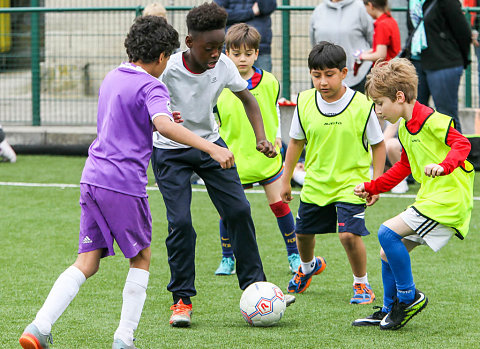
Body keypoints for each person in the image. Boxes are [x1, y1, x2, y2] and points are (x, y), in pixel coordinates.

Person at [18, 15, 235, 349]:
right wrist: (211, 148)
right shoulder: (153, 85)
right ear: (163, 57)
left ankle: (38, 326)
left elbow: (129, 120)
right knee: (142, 258)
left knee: (86, 261)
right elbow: (163, 126)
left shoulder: (113, 76)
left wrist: (157, 118)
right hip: (123, 183)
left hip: (92, 178)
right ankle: (124, 338)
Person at [151, 2, 288, 328]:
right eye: (208, 47)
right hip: (170, 151)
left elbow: (249, 99)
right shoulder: (168, 68)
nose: (215, 54)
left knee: (239, 211)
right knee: (181, 222)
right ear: (188, 43)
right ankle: (181, 301)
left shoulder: (224, 64)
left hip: (211, 145)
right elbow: (143, 95)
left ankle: (256, 285)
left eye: (219, 46)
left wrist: (261, 137)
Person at [352, 58, 474, 330]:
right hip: (431, 200)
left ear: (399, 96)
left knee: (386, 232)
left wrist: (443, 167)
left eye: (380, 104)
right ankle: (389, 310)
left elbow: (462, 145)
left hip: (448, 201)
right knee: (386, 253)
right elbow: (404, 167)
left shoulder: (433, 120)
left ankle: (409, 298)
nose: (378, 111)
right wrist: (373, 186)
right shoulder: (406, 128)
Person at [281, 42, 386, 305]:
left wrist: (377, 183)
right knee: (302, 234)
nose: (323, 81)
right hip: (316, 182)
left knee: (349, 235)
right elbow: (295, 143)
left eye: (329, 74)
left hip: (352, 184)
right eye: (316, 75)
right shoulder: (304, 101)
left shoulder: (362, 105)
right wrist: (286, 179)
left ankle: (361, 284)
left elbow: (378, 144)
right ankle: (307, 268)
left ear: (344, 72)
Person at [212, 23, 300, 276]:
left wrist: (278, 137)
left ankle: (294, 255)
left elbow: (274, 112)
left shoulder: (270, 81)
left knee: (280, 206)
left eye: (248, 53)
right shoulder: (219, 83)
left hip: (266, 156)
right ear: (226, 53)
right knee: (228, 210)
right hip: (233, 156)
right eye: (236, 53)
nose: (242, 59)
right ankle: (227, 258)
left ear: (257, 54)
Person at [407, 0, 471, 133]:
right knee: (415, 116)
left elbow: (463, 32)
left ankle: (456, 153)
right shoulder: (413, 2)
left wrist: (460, 59)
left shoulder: (446, 2)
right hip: (417, 61)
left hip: (444, 62)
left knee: (446, 117)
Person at [310, 0, 374, 93]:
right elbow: (314, 43)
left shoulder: (362, 8)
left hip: (358, 77)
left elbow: (372, 39)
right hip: (324, 79)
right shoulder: (318, 11)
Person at [214, 0, 276, 72]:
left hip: (259, 48)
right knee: (227, 81)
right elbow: (219, 15)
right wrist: (251, 12)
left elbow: (268, 7)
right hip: (231, 47)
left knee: (263, 81)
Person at [384, 121, 409, 193]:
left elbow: (383, 141)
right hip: (382, 159)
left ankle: (400, 179)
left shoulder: (393, 113)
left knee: (392, 144)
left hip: (401, 156)